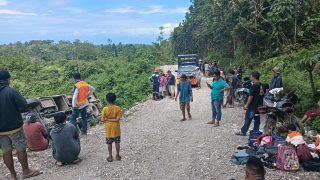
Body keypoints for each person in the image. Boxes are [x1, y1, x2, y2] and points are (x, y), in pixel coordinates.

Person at [0, 70, 42, 180]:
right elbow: (23, 105)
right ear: (7, 80)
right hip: (14, 127)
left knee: (6, 151)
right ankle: (26, 171)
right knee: (20, 148)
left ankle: (13, 175)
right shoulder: (11, 91)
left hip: (0, 130)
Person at [236, 71, 265, 136]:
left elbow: (251, 96)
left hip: (252, 106)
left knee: (248, 119)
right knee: (257, 120)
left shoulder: (254, 86)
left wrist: (246, 105)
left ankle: (243, 131)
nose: (250, 77)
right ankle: (256, 132)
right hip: (259, 106)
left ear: (253, 77)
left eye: (251, 76)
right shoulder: (262, 85)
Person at [101, 93, 122, 162]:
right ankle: (118, 155)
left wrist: (108, 119)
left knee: (109, 143)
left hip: (108, 128)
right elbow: (117, 119)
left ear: (107, 100)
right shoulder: (118, 108)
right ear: (115, 99)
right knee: (117, 142)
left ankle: (110, 156)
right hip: (116, 128)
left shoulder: (105, 109)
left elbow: (103, 120)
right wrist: (113, 119)